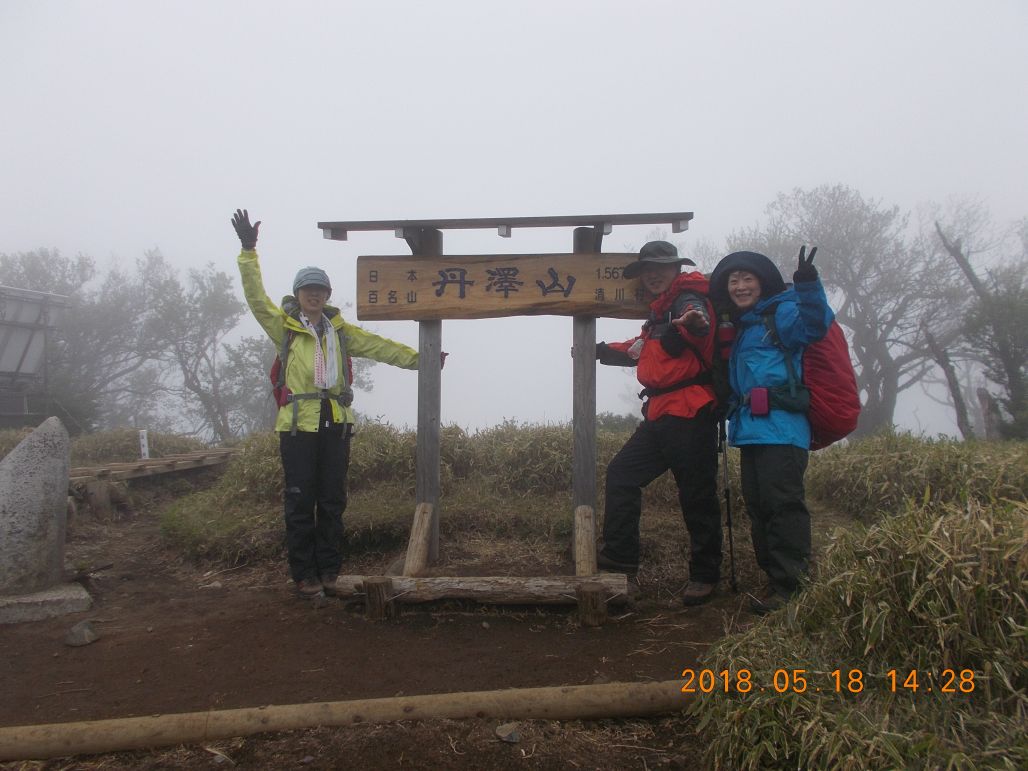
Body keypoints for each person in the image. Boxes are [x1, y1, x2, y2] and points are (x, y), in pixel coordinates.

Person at [231, 208, 426, 599]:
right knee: (301, 501)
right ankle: (305, 577)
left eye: (320, 290)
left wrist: (424, 360)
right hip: (296, 425)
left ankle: (330, 573)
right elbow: (255, 298)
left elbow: (379, 346)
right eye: (308, 290)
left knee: (333, 501)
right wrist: (248, 251)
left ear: (327, 295)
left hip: (335, 423)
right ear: (298, 294)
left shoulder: (339, 331)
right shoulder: (283, 327)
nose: (315, 295)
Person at [595, 240, 722, 606]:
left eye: (661, 267)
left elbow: (698, 322)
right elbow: (638, 349)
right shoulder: (659, 314)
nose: (653, 274)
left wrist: (694, 323)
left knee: (697, 495)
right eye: (648, 268)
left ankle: (705, 575)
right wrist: (599, 351)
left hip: (691, 412)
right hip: (661, 415)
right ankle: (619, 556)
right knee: (622, 474)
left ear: (676, 270)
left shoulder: (687, 300)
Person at [708, 247, 832, 614]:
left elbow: (815, 325)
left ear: (762, 284)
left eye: (748, 279)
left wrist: (808, 286)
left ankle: (794, 589)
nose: (740, 286)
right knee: (760, 508)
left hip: (783, 429)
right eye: (734, 281)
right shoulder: (744, 326)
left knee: (782, 506)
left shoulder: (784, 313)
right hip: (752, 431)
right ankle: (776, 582)